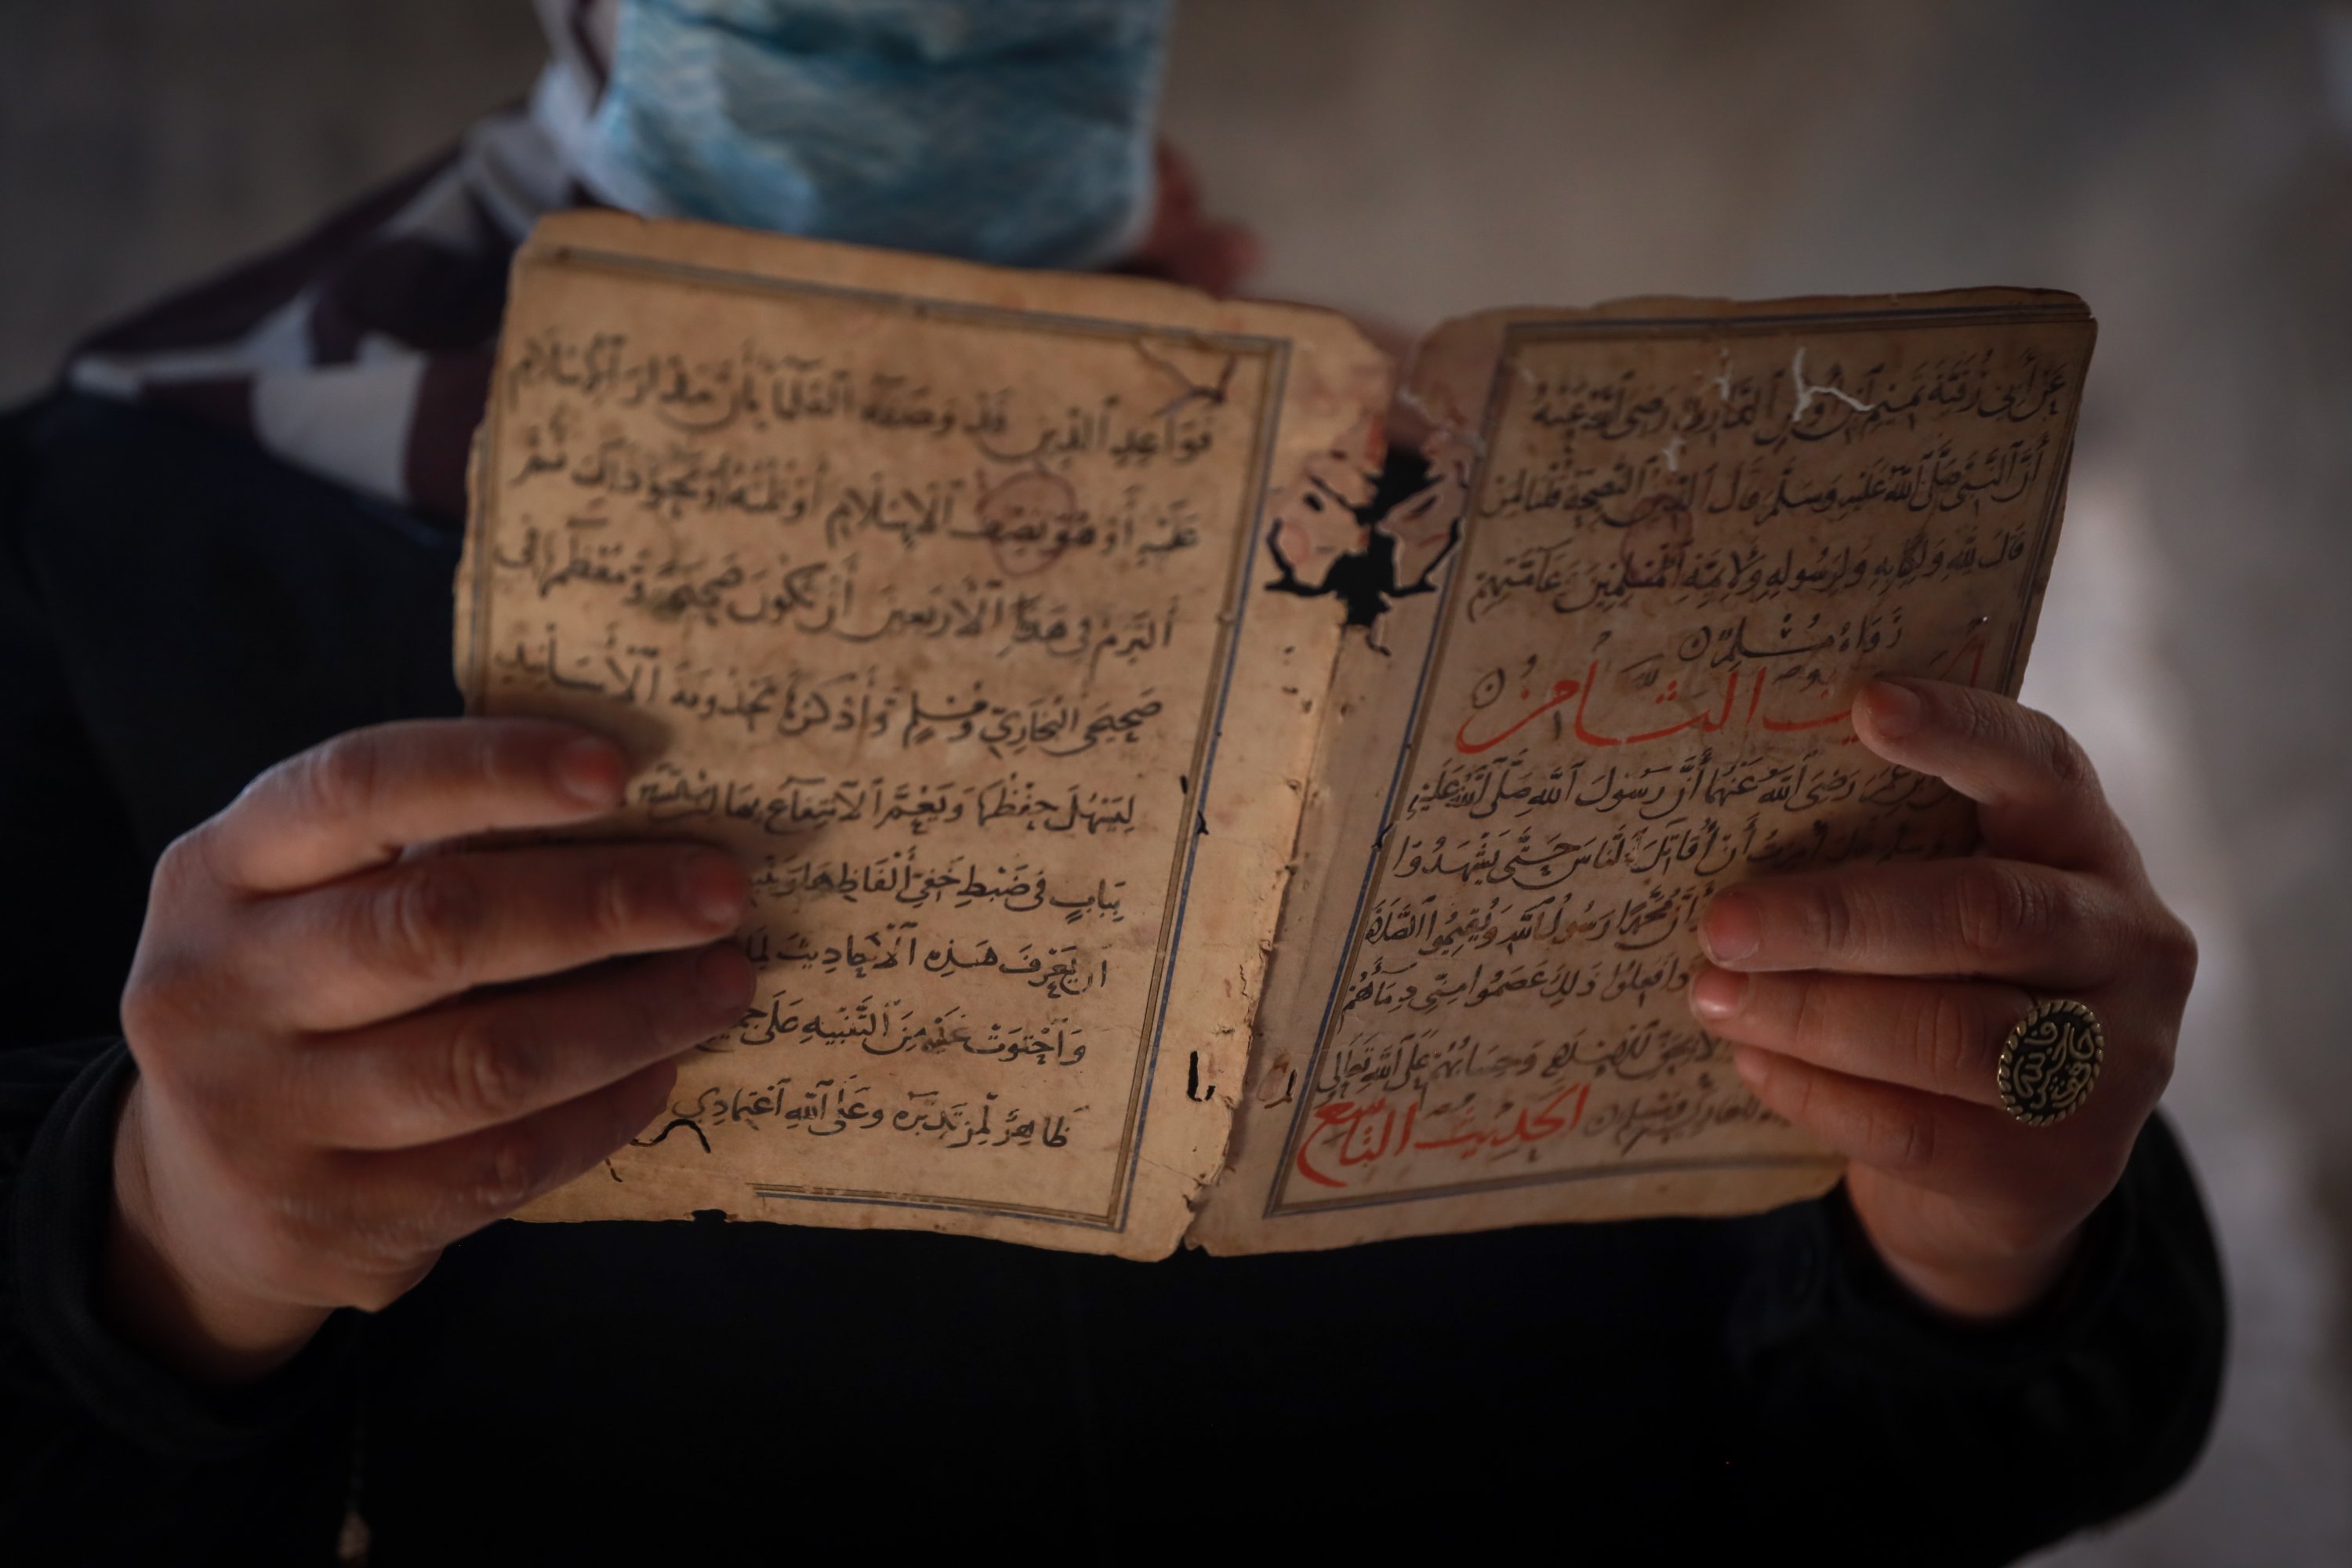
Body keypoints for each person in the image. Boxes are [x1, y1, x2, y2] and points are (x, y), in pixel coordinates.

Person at [0, 3, 2223, 1562]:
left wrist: (1993, 1234)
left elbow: (1920, 1472)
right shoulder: (107, 551)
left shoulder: (1452, 536)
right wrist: (173, 1246)